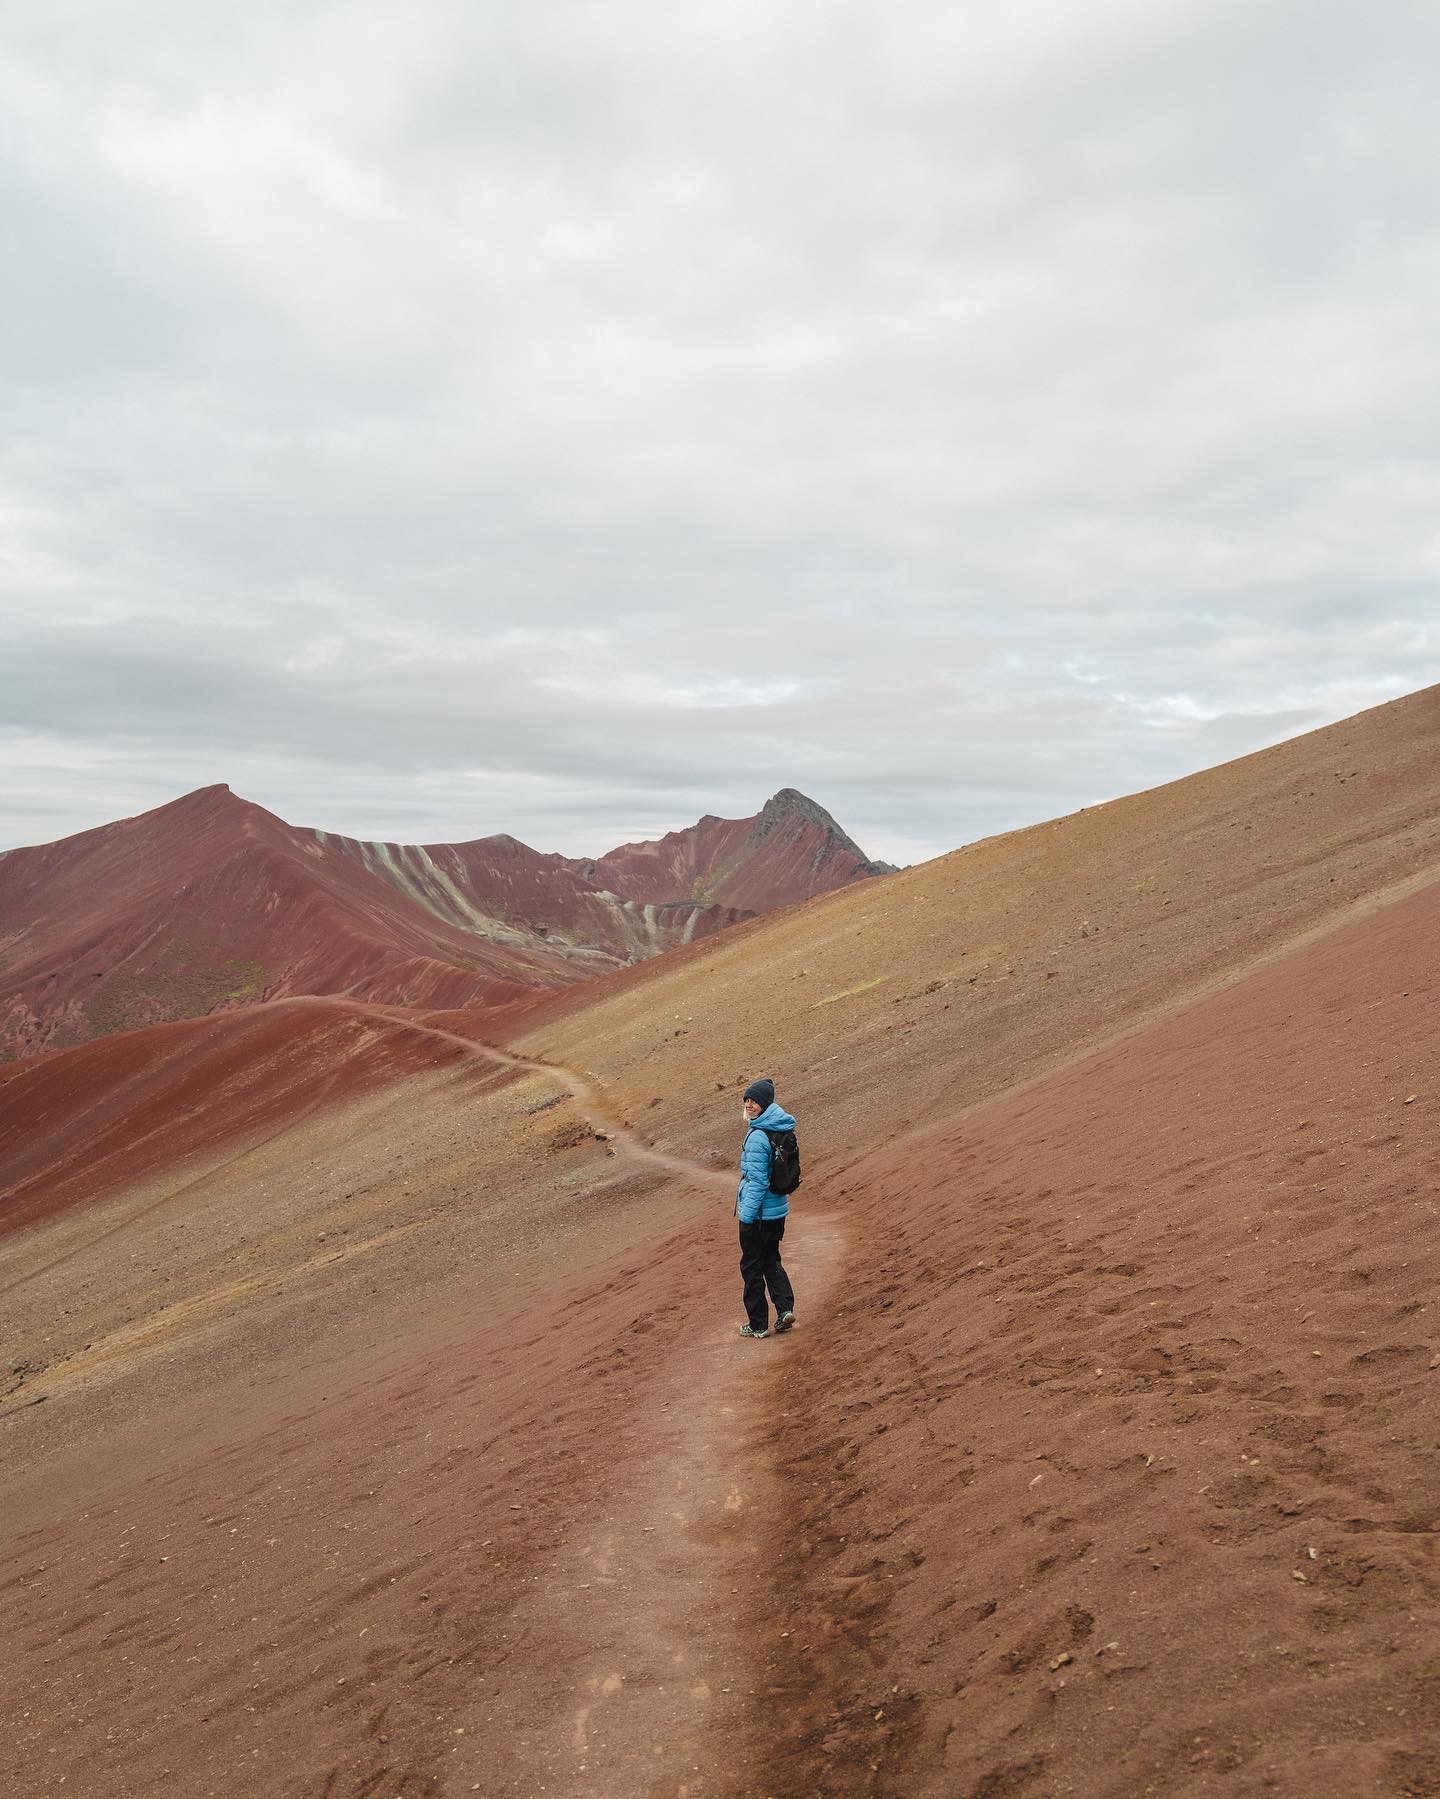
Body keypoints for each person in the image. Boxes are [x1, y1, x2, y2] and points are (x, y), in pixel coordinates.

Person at [735, 1077, 797, 1339]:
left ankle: (758, 1323)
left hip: (759, 1214)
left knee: (751, 1266)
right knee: (771, 1259)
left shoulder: (759, 1136)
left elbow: (758, 1182)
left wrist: (746, 1215)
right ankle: (785, 1310)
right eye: (747, 1100)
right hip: (777, 1212)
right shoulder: (778, 1127)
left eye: (755, 1101)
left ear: (765, 1103)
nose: (750, 1105)